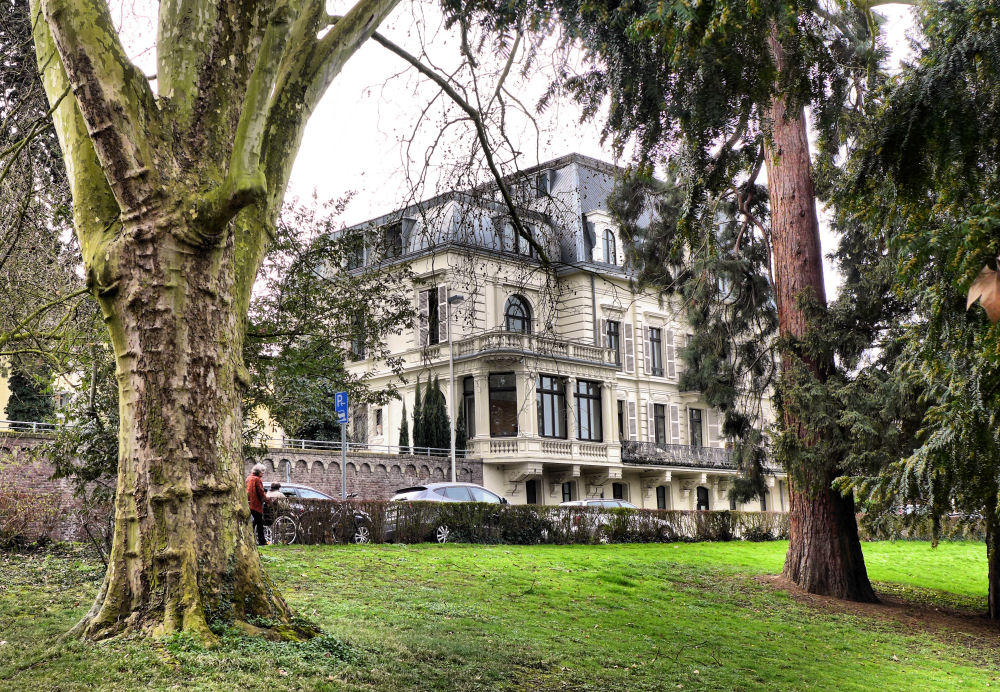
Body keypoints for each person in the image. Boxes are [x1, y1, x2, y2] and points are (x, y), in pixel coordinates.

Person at [246, 463, 268, 546]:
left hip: (248, 503)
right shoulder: (257, 479)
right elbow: (261, 492)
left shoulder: (248, 478)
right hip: (256, 504)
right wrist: (267, 500)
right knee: (259, 523)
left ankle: (249, 539)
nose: (263, 473)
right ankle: (262, 541)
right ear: (258, 471)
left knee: (253, 522)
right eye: (262, 471)